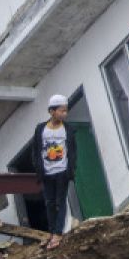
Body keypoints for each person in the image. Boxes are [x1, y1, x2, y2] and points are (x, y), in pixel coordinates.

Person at [32, 94, 78, 250]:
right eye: (61, 111)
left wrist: (71, 169)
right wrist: (39, 169)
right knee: (49, 203)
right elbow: (35, 150)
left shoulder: (68, 129)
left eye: (66, 111)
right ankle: (52, 231)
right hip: (47, 173)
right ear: (52, 111)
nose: (65, 114)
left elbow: (72, 151)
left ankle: (58, 233)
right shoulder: (40, 129)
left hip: (62, 171)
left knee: (60, 201)